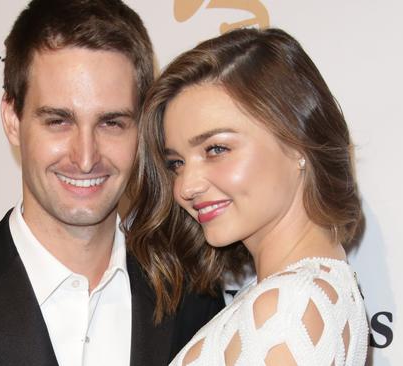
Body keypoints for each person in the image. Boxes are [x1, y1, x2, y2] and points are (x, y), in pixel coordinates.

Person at [0, 1, 224, 365]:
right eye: (58, 121)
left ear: (140, 129)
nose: (85, 157)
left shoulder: (190, 298)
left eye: (111, 123)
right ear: (13, 120)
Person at [126, 28, 369, 365]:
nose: (185, 186)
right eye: (176, 163)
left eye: (216, 149)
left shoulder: (288, 306)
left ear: (297, 142)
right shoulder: (302, 291)